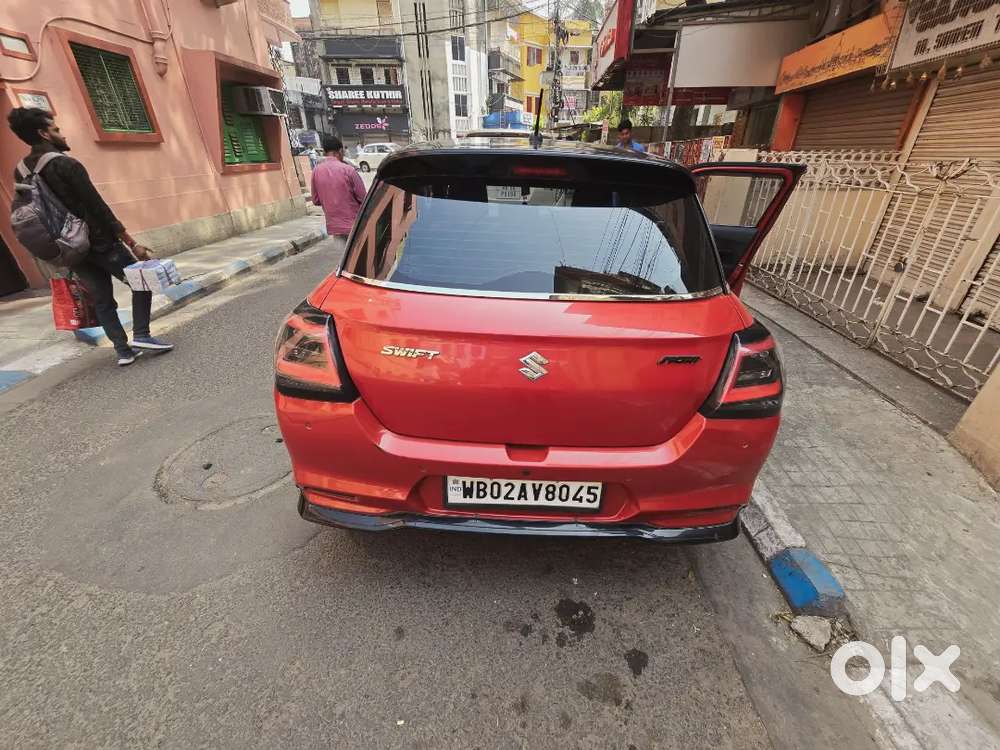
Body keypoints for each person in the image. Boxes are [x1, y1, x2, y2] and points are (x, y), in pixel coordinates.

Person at [8, 107, 172, 367]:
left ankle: (123, 350)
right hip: (99, 241)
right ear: (44, 133)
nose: (61, 134)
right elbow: (97, 206)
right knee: (142, 282)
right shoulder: (64, 164)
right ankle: (142, 334)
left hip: (68, 248)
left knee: (102, 299)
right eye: (56, 130)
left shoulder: (21, 171)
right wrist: (131, 242)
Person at [310, 134, 367, 251]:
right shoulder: (348, 170)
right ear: (340, 151)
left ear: (325, 152)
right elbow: (364, 199)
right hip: (354, 225)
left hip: (335, 227)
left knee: (345, 262)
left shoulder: (316, 171)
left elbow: (316, 200)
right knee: (359, 260)